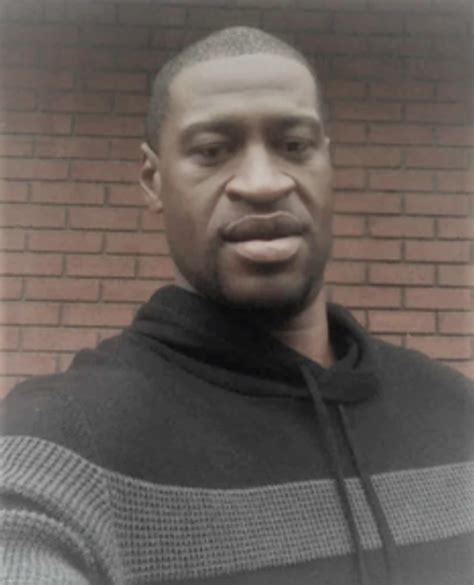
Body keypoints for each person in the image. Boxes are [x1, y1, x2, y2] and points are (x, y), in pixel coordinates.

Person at [1, 26, 473, 585]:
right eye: (212, 151)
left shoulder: (457, 415)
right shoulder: (57, 448)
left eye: (294, 146)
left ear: (327, 162)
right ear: (153, 180)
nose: (263, 183)